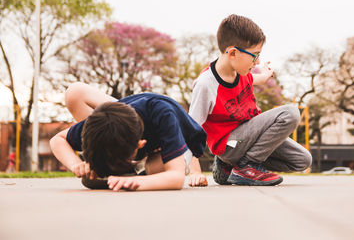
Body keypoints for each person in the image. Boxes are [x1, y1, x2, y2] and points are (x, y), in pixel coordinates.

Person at [188, 14, 312, 186]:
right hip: (229, 143)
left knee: (302, 160)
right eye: (254, 55)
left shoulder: (241, 73)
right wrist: (195, 172)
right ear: (233, 53)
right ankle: (246, 166)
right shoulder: (206, 84)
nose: (257, 61)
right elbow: (191, 128)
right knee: (290, 113)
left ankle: (229, 168)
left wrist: (265, 74)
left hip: (250, 139)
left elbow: (256, 79)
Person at [50, 82, 208, 191]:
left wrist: (138, 181)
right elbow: (57, 140)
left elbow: (176, 177)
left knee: (154, 170)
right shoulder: (103, 122)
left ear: (140, 144)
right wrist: (75, 164)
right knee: (74, 92)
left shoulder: (164, 116)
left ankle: (133, 171)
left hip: (188, 141)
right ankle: (120, 168)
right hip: (127, 114)